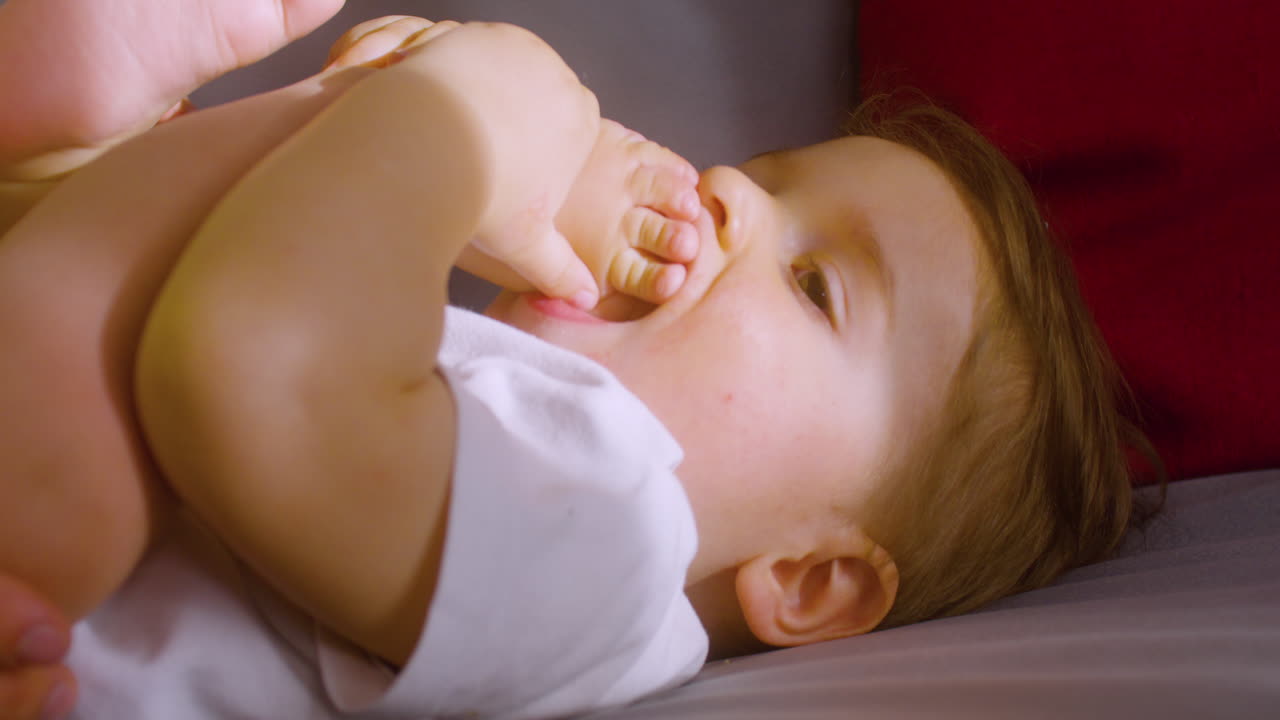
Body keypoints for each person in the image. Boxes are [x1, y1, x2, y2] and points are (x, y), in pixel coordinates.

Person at [0, 2, 1156, 718]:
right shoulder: (452, 382)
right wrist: (366, 129)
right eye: (760, 167)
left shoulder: (611, 542)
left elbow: (249, 376)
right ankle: (65, 149)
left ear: (809, 581)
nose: (730, 192)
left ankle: (70, 142)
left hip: (47, 540)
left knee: (71, 488)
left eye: (814, 282)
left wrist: (471, 107)